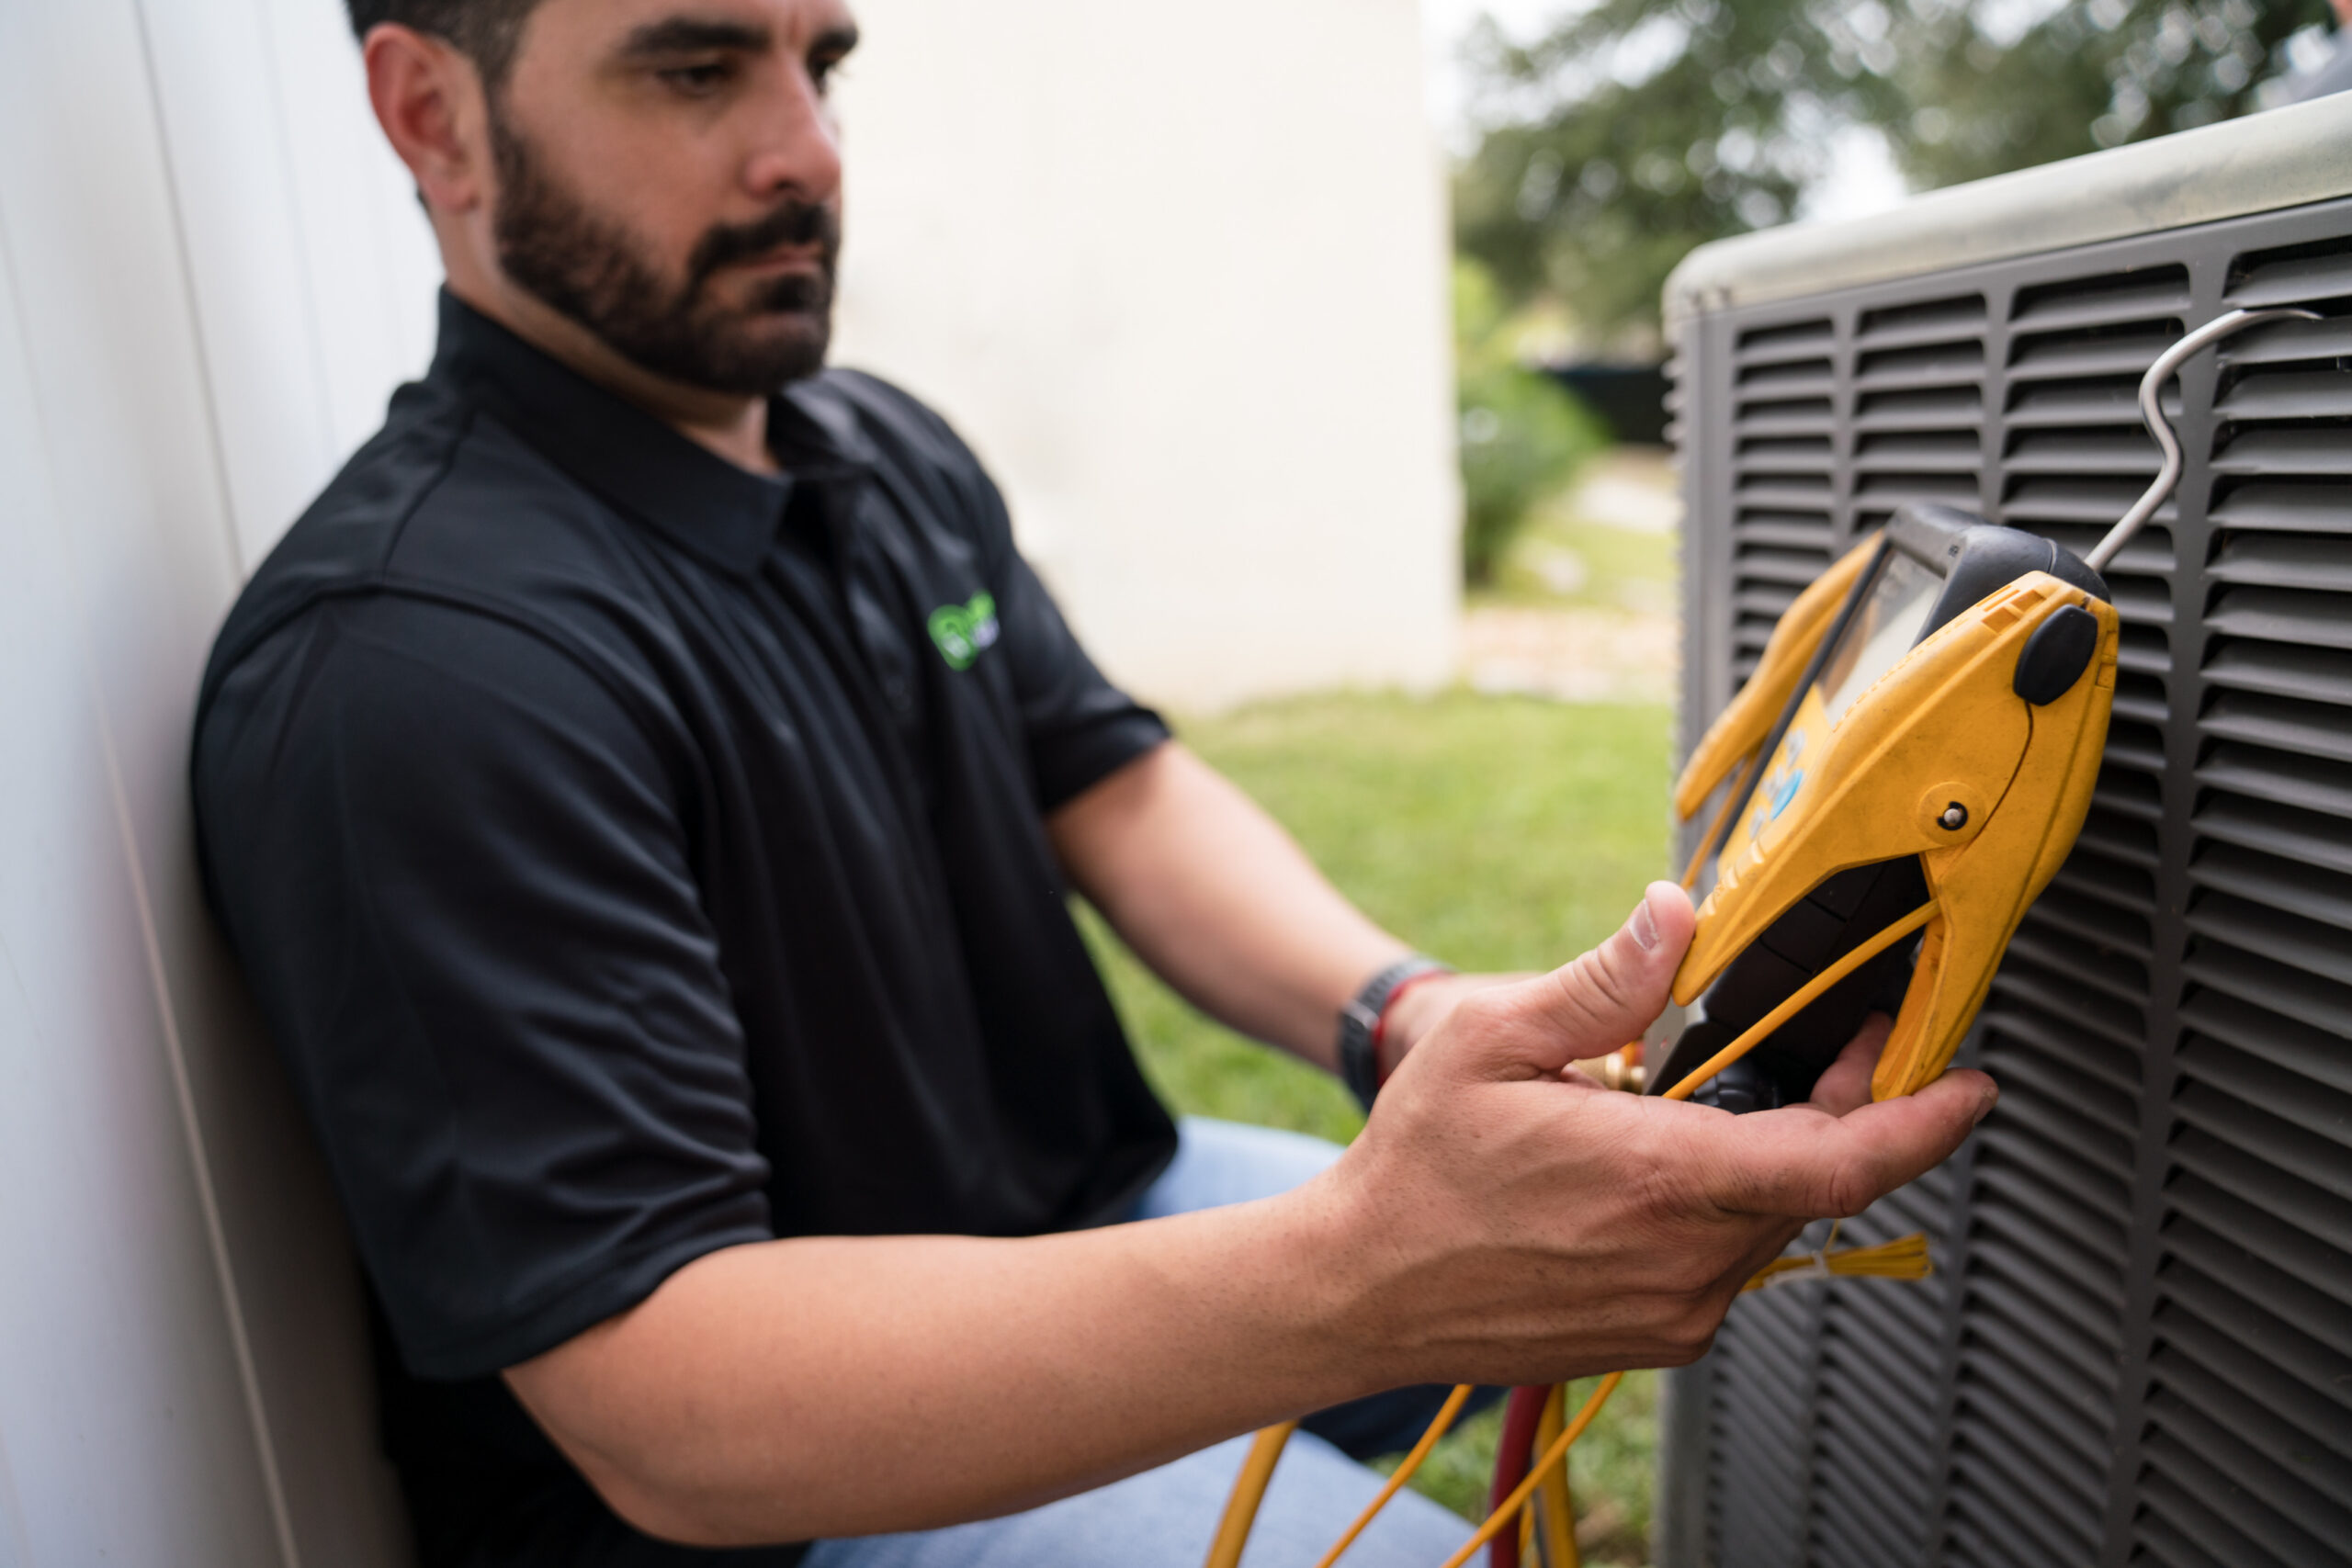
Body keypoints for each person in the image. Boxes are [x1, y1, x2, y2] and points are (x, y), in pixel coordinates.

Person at [189, 2, 1996, 1563]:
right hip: (791, 1488)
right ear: (432, 115)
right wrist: (1362, 1269)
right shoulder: (414, 663)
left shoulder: (875, 450)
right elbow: (672, 1407)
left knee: (1562, 1265)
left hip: (1091, 1199)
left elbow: (1112, 786)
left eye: (823, 62)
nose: (804, 150)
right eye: (691, 69)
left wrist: (1401, 1010)